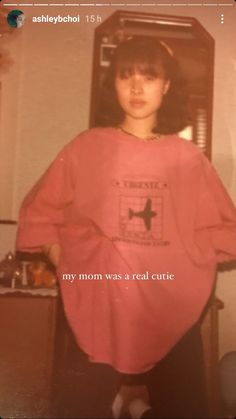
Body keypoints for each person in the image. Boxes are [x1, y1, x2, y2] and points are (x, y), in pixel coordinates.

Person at [16, 37, 236, 418]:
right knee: (79, 406)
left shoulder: (187, 159)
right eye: (125, 76)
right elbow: (41, 213)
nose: (136, 87)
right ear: (113, 84)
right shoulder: (86, 147)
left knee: (182, 407)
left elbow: (222, 230)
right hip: (97, 308)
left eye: (149, 77)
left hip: (168, 313)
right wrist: (65, 259)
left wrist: (186, 268)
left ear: (166, 86)